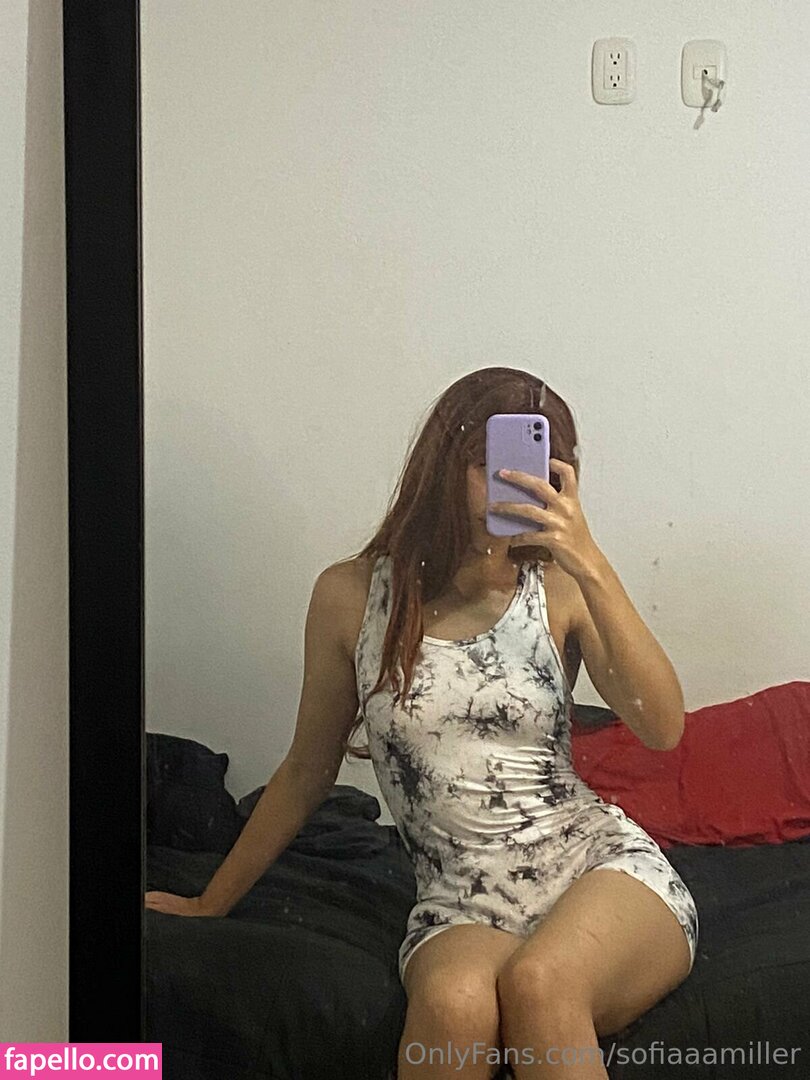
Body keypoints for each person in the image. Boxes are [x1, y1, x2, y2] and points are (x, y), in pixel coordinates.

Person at [146, 367, 698, 1080]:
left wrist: (590, 562)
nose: (515, 487)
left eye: (539, 469)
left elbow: (663, 727)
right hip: (458, 894)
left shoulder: (560, 586)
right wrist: (209, 902)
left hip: (596, 867)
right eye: (489, 467)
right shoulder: (351, 596)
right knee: (453, 1004)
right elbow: (307, 770)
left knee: (540, 984)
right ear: (443, 467)